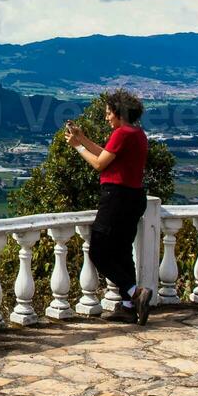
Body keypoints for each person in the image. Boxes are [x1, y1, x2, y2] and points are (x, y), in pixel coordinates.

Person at [65, 89, 153, 325]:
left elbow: (99, 163)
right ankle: (126, 307)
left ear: (118, 113)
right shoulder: (138, 134)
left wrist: (77, 147)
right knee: (123, 252)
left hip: (116, 197)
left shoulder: (122, 133)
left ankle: (135, 293)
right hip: (134, 197)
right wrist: (81, 137)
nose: (106, 118)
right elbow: (107, 153)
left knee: (98, 252)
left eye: (108, 113)